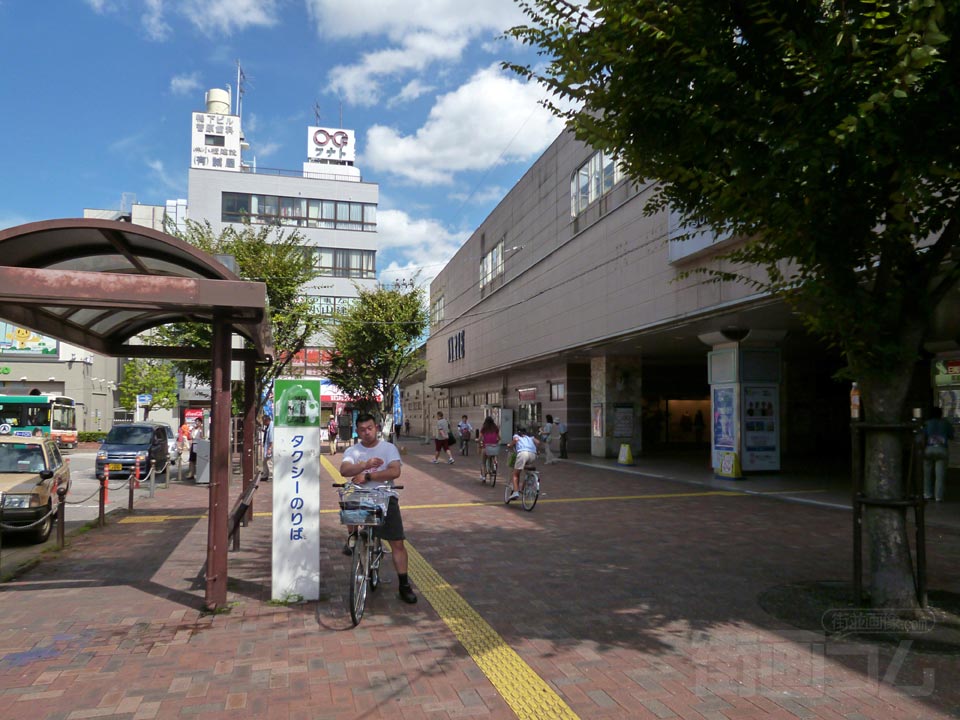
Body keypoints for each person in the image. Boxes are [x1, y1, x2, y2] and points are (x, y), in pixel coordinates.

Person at [339, 413, 418, 604]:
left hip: (385, 497)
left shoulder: (388, 448)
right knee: (347, 505)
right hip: (360, 497)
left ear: (376, 428)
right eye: (362, 429)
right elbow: (344, 470)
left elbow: (394, 471)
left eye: (370, 428)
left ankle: (404, 585)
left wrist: (367, 477)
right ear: (357, 431)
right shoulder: (353, 450)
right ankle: (354, 537)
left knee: (397, 543)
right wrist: (365, 465)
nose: (366, 433)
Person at [923, 407, 954, 503]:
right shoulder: (945, 423)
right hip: (942, 449)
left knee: (926, 473)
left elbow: (923, 435)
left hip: (929, 449)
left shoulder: (927, 423)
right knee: (940, 475)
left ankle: (927, 494)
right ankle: (938, 497)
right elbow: (951, 436)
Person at [506, 427, 541, 501]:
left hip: (523, 454)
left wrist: (510, 445)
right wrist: (537, 450)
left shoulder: (516, 436)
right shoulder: (530, 437)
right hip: (532, 455)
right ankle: (523, 489)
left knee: (515, 474)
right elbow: (538, 442)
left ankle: (515, 492)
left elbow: (515, 440)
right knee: (527, 472)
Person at [477, 416, 500, 481]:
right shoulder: (495, 428)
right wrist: (497, 441)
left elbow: (480, 438)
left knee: (483, 462)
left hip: (486, 447)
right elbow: (499, 438)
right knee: (493, 455)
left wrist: (478, 441)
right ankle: (494, 466)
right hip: (494, 448)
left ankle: (484, 476)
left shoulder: (484, 428)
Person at [260, 414, 274, 482]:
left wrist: (270, 448)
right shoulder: (268, 426)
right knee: (265, 461)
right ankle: (265, 475)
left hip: (269, 447)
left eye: (263, 421)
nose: (263, 423)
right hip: (267, 446)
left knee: (269, 462)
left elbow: (271, 439)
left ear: (267, 420)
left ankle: (271, 476)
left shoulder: (271, 426)